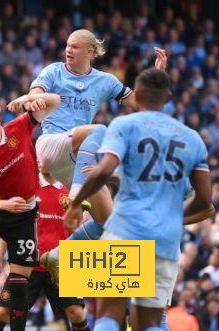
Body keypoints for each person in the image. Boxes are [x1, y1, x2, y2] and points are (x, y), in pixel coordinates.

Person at [64, 68, 214, 331]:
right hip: (166, 241)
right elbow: (205, 202)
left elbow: (104, 169)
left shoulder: (124, 125)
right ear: (168, 97)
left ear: (138, 93)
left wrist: (76, 203)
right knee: (151, 322)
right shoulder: (192, 138)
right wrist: (172, 215)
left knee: (109, 313)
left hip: (126, 230)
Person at [26, 28, 167, 282]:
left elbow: (141, 104)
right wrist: (35, 99)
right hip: (50, 146)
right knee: (100, 129)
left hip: (80, 158)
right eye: (67, 45)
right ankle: (78, 196)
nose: (68, 50)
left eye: (75, 46)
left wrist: (158, 76)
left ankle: (60, 255)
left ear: (90, 52)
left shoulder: (105, 80)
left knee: (110, 224)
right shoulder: (54, 71)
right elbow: (36, 91)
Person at [0, 95, 60, 331]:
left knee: (18, 288)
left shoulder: (20, 126)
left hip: (24, 217)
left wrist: (30, 98)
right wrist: (5, 205)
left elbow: (55, 100)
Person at [0, 172, 89, 331]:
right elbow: (12, 226)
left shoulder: (71, 190)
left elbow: (78, 230)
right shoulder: (27, 188)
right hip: (28, 266)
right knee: (2, 312)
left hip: (61, 265)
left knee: (76, 313)